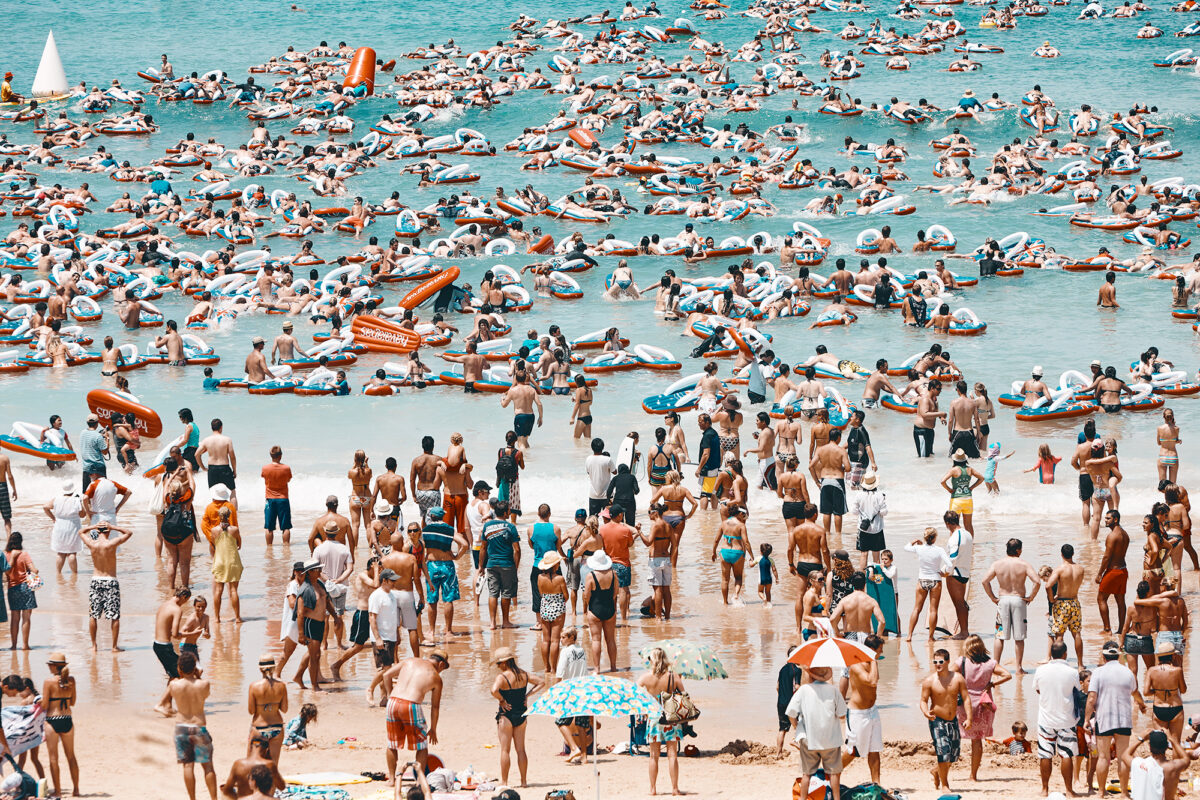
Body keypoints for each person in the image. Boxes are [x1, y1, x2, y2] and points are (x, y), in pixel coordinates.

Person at [381, 649, 449, 787]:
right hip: (411, 705)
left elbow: (386, 675)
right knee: (422, 746)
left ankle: (392, 780)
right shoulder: (436, 676)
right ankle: (419, 781)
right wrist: (433, 729)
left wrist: (389, 695)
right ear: (441, 664)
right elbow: (435, 707)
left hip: (393, 702)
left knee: (392, 744)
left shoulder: (410, 660)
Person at [1087, 640, 1145, 796]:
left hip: (1104, 719)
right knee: (1123, 757)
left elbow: (1092, 698)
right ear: (1119, 657)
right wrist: (1142, 704)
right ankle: (1125, 793)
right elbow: (1135, 692)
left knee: (1103, 757)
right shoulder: (1128, 672)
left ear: (1104, 656)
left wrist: (1087, 719)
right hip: (1123, 720)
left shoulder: (1098, 673)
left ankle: (1101, 792)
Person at [951, 635, 1010, 781]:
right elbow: (1007, 675)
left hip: (965, 704)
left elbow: (948, 673)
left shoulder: (962, 662)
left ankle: (943, 768)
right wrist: (992, 684)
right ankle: (973, 776)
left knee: (955, 737)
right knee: (977, 741)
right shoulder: (990, 663)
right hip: (983, 705)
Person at [981, 538, 1041, 674]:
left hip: (1003, 600)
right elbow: (1037, 582)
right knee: (1019, 637)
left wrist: (992, 598)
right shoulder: (1024, 564)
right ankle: (1019, 668)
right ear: (1018, 550)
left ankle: (995, 665)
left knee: (999, 635)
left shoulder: (997, 564)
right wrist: (1031, 597)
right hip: (1018, 600)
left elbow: (985, 581)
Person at [787, 664, 846, 800]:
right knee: (834, 774)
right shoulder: (833, 690)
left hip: (809, 738)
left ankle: (802, 799)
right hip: (830, 739)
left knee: (806, 774)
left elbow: (791, 713)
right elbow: (842, 714)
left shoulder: (804, 690)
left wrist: (796, 726)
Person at [490, 647, 543, 788]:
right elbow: (541, 682)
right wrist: (527, 695)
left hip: (506, 716)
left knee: (505, 750)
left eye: (498, 664)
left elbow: (493, 690)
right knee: (521, 750)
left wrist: (501, 700)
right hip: (522, 715)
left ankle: (505, 782)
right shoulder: (523, 674)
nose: (498, 667)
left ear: (504, 662)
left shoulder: (502, 677)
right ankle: (524, 782)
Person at [638, 647, 687, 796]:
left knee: (654, 756)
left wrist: (644, 709)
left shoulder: (645, 677)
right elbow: (684, 695)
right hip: (670, 717)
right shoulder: (673, 676)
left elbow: (635, 693)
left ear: (652, 660)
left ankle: (653, 789)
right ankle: (674, 788)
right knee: (672, 754)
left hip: (654, 717)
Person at [1034, 641, 1080, 796]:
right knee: (1066, 755)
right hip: (1066, 718)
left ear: (1051, 654)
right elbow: (1078, 692)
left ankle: (1045, 789)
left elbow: (1038, 690)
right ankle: (1068, 790)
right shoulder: (1072, 672)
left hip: (1046, 718)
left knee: (1045, 754)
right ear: (1065, 653)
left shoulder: (1041, 670)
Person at [921, 648, 971, 792]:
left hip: (953, 720)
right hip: (937, 720)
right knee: (943, 753)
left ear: (948, 661)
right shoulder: (929, 681)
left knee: (953, 755)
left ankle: (937, 771)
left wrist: (969, 718)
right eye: (935, 661)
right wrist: (925, 712)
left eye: (941, 661)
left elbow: (966, 698)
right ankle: (945, 785)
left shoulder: (957, 678)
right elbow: (923, 700)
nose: (938, 664)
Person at [170, 651, 216, 800]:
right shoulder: (204, 684)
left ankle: (192, 799)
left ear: (179, 668)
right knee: (207, 766)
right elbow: (204, 694)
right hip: (198, 727)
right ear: (195, 667)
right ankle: (214, 798)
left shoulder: (174, 684)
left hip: (181, 727)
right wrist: (198, 676)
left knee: (187, 766)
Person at [79, 521, 132, 652]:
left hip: (96, 580)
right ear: (108, 531)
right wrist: (113, 526)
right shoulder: (112, 543)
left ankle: (94, 645)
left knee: (93, 615)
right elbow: (129, 533)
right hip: (110, 580)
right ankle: (114, 646)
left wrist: (93, 527)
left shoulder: (92, 544)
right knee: (114, 615)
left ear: (98, 531)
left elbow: (80, 532)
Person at [841, 634, 884, 784]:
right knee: (853, 751)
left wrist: (873, 660)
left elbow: (874, 680)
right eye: (879, 650)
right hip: (857, 714)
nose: (882, 653)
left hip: (872, 711)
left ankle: (876, 784)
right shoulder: (856, 664)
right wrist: (873, 658)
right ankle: (831, 775)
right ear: (871, 650)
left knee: (874, 749)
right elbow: (872, 681)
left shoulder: (872, 663)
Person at [904, 528, 951, 642]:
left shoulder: (919, 548)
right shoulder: (939, 550)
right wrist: (944, 574)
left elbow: (906, 548)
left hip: (922, 581)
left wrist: (915, 541)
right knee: (933, 610)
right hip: (935, 580)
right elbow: (949, 563)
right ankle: (930, 637)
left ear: (924, 537)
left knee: (916, 609)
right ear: (934, 538)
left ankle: (909, 635)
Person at [42, 654, 78, 799]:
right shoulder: (71, 681)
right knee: (71, 756)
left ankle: (57, 792)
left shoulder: (48, 682)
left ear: (55, 666)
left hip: (52, 720)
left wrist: (38, 703)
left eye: (50, 664)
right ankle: (76, 789)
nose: (49, 666)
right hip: (67, 719)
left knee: (53, 758)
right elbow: (73, 702)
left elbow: (45, 705)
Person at [480, 503, 521, 629]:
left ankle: (492, 623)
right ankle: (505, 622)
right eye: (508, 511)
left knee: (493, 593)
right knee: (506, 593)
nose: (509, 513)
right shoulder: (510, 527)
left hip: (491, 564)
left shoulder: (486, 526)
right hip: (507, 564)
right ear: (504, 513)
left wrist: (481, 566)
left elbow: (483, 548)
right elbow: (517, 550)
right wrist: (516, 566)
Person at [1122, 730, 1191, 800]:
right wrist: (1172, 740)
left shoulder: (1140, 764)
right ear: (1167, 746)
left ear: (1149, 746)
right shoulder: (1173, 767)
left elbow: (1125, 755)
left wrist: (1140, 739)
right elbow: (1186, 759)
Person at [246, 655, 288, 765]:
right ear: (274, 668)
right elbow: (284, 709)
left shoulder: (254, 686)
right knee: (273, 765)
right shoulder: (282, 685)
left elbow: (251, 711)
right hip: (277, 727)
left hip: (259, 727)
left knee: (253, 764)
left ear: (260, 668)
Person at [581, 552, 618, 672]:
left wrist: (587, 608)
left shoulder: (591, 576)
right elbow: (615, 593)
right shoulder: (613, 574)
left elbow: (586, 595)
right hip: (610, 609)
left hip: (595, 609)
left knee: (596, 640)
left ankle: (597, 668)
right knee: (611, 639)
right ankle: (613, 667)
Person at [210, 506, 244, 624]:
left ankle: (216, 618)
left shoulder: (214, 530)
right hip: (233, 562)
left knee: (218, 590)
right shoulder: (235, 529)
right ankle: (238, 618)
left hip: (219, 561)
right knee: (233, 590)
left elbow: (214, 545)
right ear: (229, 515)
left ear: (219, 516)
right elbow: (239, 544)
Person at [45, 480, 85, 574]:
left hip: (59, 525)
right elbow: (83, 515)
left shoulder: (56, 499)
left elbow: (45, 507)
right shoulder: (76, 500)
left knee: (60, 552)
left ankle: (58, 573)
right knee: (72, 552)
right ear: (73, 490)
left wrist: (53, 518)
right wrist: (82, 503)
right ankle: (74, 574)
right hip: (73, 526)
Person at [5, 533, 36, 651]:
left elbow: (6, 571)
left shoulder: (6, 555)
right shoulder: (24, 554)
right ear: (21, 542)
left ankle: (13, 645)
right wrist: (32, 570)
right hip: (26, 588)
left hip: (12, 588)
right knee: (26, 618)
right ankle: (25, 645)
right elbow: (34, 570)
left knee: (14, 617)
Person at [941, 449, 983, 534]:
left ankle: (955, 544)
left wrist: (949, 490)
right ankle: (970, 544)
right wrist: (971, 487)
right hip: (968, 499)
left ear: (955, 460)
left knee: (953, 525)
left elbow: (942, 481)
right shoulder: (970, 469)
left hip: (956, 500)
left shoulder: (954, 470)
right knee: (968, 525)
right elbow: (981, 478)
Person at [849, 473, 886, 567]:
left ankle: (862, 577)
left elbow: (854, 511)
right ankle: (876, 578)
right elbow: (884, 512)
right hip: (876, 528)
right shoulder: (880, 495)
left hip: (863, 528)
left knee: (863, 554)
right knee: (876, 555)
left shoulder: (859, 495)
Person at [261, 445, 293, 545]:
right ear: (280, 456)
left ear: (271, 455)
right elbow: (288, 479)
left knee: (269, 528)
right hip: (283, 499)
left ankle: (269, 548)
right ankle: (286, 547)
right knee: (286, 527)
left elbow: (264, 478)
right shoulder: (286, 468)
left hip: (270, 499)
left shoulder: (265, 468)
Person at [776, 644, 802, 756]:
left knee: (782, 729)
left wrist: (783, 695)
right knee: (799, 724)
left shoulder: (782, 669)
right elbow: (797, 687)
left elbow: (777, 687)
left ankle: (778, 753)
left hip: (781, 702)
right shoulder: (796, 670)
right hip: (791, 703)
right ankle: (795, 740)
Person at [584, 438, 614, 516]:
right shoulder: (608, 460)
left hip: (593, 495)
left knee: (592, 521)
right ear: (602, 447)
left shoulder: (588, 459)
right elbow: (614, 472)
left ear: (592, 447)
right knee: (609, 520)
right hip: (607, 495)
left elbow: (588, 472)